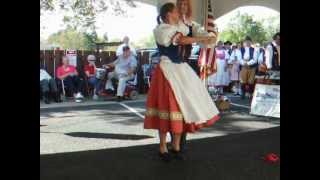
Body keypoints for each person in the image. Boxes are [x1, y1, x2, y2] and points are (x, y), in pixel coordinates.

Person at [144, 2, 220, 162]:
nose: (179, 13)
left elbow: (192, 28)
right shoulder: (161, 29)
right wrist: (202, 38)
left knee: (182, 109)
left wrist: (209, 35)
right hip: (167, 71)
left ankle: (176, 147)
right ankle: (163, 147)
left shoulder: (182, 26)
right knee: (167, 107)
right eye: (176, 11)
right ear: (168, 14)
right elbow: (181, 40)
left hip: (181, 70)